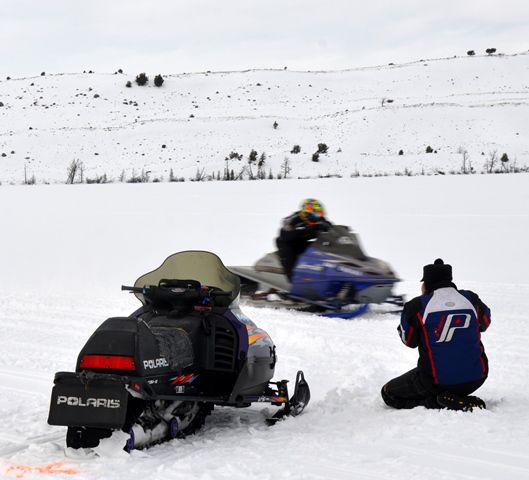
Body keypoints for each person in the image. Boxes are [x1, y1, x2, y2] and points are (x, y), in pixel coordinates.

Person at [381, 258, 491, 411]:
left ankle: (438, 402)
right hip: (477, 377)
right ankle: (455, 397)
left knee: (388, 392)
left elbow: (409, 341)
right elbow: (485, 323)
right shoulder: (471, 299)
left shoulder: (417, 306)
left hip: (436, 382)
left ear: (426, 284)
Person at [275, 198, 330, 280]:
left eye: (319, 213)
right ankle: (292, 277)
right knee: (287, 250)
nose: (317, 215)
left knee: (321, 246)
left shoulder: (320, 220)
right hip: (288, 243)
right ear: (306, 212)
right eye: (314, 212)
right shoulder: (295, 218)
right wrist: (306, 230)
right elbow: (285, 233)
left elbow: (331, 228)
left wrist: (339, 230)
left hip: (303, 242)